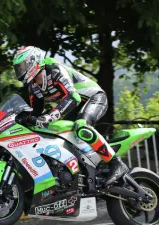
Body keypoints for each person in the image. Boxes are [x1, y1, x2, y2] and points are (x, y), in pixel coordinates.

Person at [12, 46, 128, 186]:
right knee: (56, 132)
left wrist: (51, 116)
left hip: (93, 98)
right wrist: (19, 118)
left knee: (81, 126)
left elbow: (73, 97)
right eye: (18, 68)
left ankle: (116, 164)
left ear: (33, 61)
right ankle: (84, 169)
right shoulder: (33, 86)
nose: (20, 70)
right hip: (73, 108)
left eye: (23, 66)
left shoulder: (54, 70)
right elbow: (36, 110)